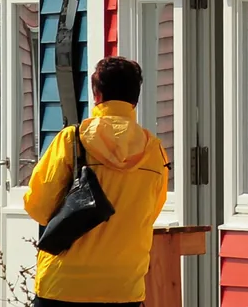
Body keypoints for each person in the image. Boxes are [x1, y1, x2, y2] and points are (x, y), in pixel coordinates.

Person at [24, 56, 171, 307]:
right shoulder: (154, 151)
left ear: (96, 94)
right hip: (123, 285)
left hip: (64, 284)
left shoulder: (73, 139)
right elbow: (150, 212)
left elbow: (38, 206)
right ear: (135, 98)